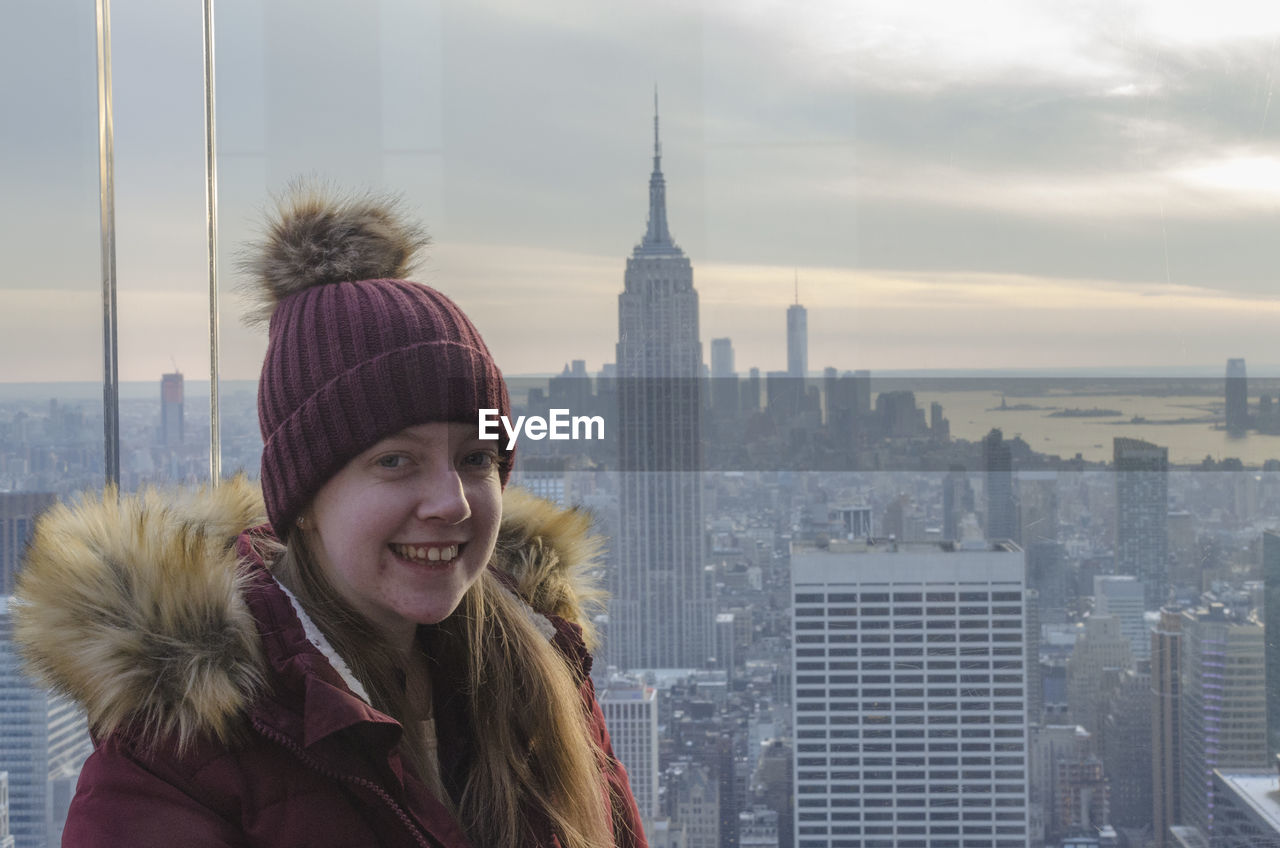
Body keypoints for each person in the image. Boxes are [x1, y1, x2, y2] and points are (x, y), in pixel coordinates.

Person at [14, 187, 648, 848]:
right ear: (305, 500)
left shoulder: (539, 667)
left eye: (476, 458)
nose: (452, 502)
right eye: (396, 461)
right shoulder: (181, 746)